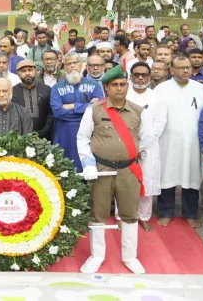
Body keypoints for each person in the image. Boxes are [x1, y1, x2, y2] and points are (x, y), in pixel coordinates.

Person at [77, 66, 145, 274]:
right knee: (98, 213)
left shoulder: (138, 111)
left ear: (128, 85)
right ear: (106, 87)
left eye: (123, 84)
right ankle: (97, 255)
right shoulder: (94, 110)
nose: (119, 88)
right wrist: (88, 164)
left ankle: (130, 256)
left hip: (128, 170)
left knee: (130, 214)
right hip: (101, 169)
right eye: (114, 85)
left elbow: (145, 139)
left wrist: (129, 155)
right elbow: (82, 139)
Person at [156, 55, 203, 228]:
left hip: (192, 142)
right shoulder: (161, 89)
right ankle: (166, 212)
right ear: (172, 70)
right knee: (166, 174)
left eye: (188, 67)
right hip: (167, 141)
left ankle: (190, 213)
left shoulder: (201, 90)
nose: (186, 70)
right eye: (181, 68)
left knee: (191, 175)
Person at [125, 62, 167, 232]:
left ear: (150, 78)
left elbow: (159, 125)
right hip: (126, 147)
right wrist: (132, 147)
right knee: (125, 183)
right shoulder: (124, 95)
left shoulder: (157, 98)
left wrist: (141, 146)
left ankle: (143, 217)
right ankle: (125, 216)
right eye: (136, 74)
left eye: (144, 75)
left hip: (149, 148)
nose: (140, 78)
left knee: (147, 181)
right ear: (131, 76)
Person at [51, 53, 104, 171]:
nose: (72, 66)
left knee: (89, 167)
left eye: (75, 63)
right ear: (64, 67)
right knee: (66, 168)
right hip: (66, 133)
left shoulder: (94, 85)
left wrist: (72, 106)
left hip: (90, 132)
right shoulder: (56, 88)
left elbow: (98, 108)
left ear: (81, 65)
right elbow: (57, 112)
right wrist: (87, 107)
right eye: (69, 63)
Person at [12, 59, 54, 141]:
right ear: (18, 73)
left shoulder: (46, 89)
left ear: (35, 71)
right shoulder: (13, 91)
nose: (27, 73)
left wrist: (44, 131)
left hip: (44, 137)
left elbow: (51, 113)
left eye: (30, 70)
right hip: (20, 138)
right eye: (23, 71)